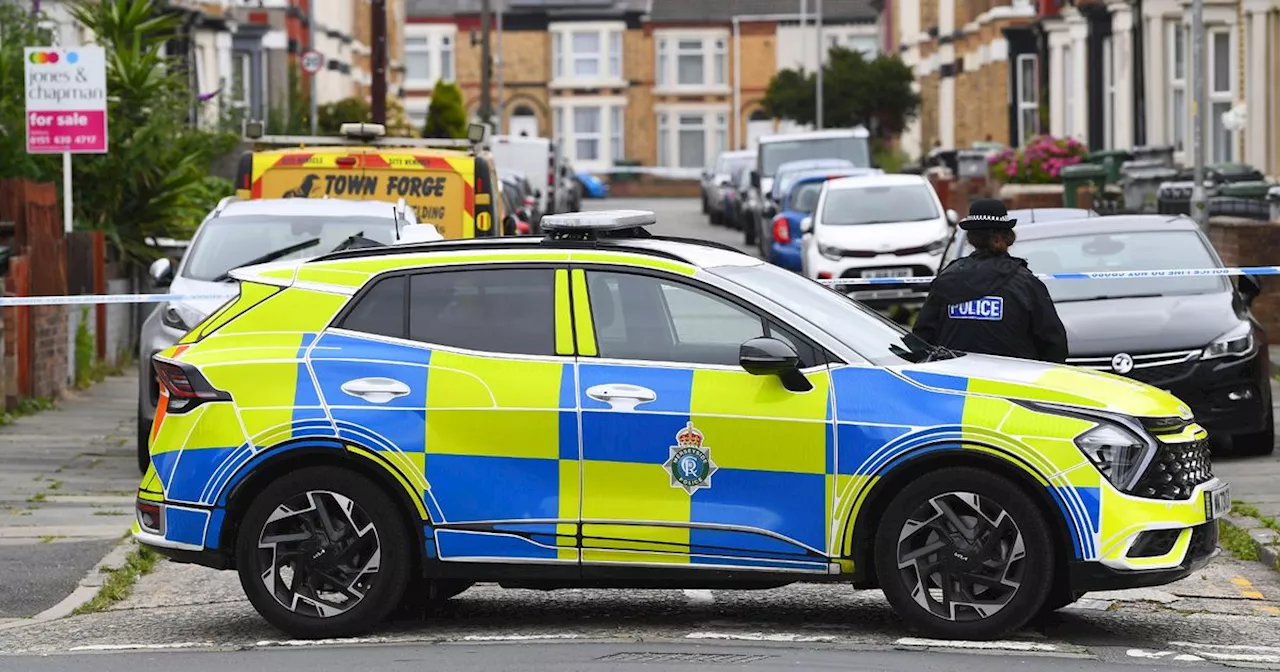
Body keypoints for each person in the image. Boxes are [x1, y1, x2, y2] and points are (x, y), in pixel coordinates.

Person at [912, 198, 1069, 363]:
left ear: (971, 238)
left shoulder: (947, 279)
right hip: (1013, 382)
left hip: (955, 382)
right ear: (1007, 236)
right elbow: (1053, 344)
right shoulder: (1025, 283)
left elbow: (921, 338)